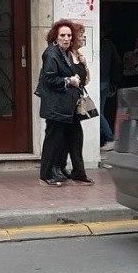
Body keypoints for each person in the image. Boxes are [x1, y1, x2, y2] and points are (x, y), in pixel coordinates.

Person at [34, 18, 83, 187]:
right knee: (52, 140)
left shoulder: (64, 53)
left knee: (58, 141)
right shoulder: (51, 53)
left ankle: (53, 172)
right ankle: (45, 174)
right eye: (63, 35)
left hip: (62, 106)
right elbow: (49, 78)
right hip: (54, 106)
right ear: (56, 36)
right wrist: (69, 80)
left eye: (69, 35)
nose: (66, 38)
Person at [52, 20, 94, 185]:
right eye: (80, 35)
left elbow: (86, 79)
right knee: (65, 136)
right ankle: (63, 168)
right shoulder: (65, 56)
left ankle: (76, 170)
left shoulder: (79, 56)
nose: (82, 38)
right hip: (65, 102)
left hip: (75, 102)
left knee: (75, 136)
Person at [98, 24, 121, 151]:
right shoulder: (109, 45)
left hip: (100, 81)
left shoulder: (101, 45)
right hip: (106, 81)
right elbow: (116, 63)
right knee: (99, 111)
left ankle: (110, 137)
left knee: (97, 113)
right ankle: (105, 137)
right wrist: (114, 81)